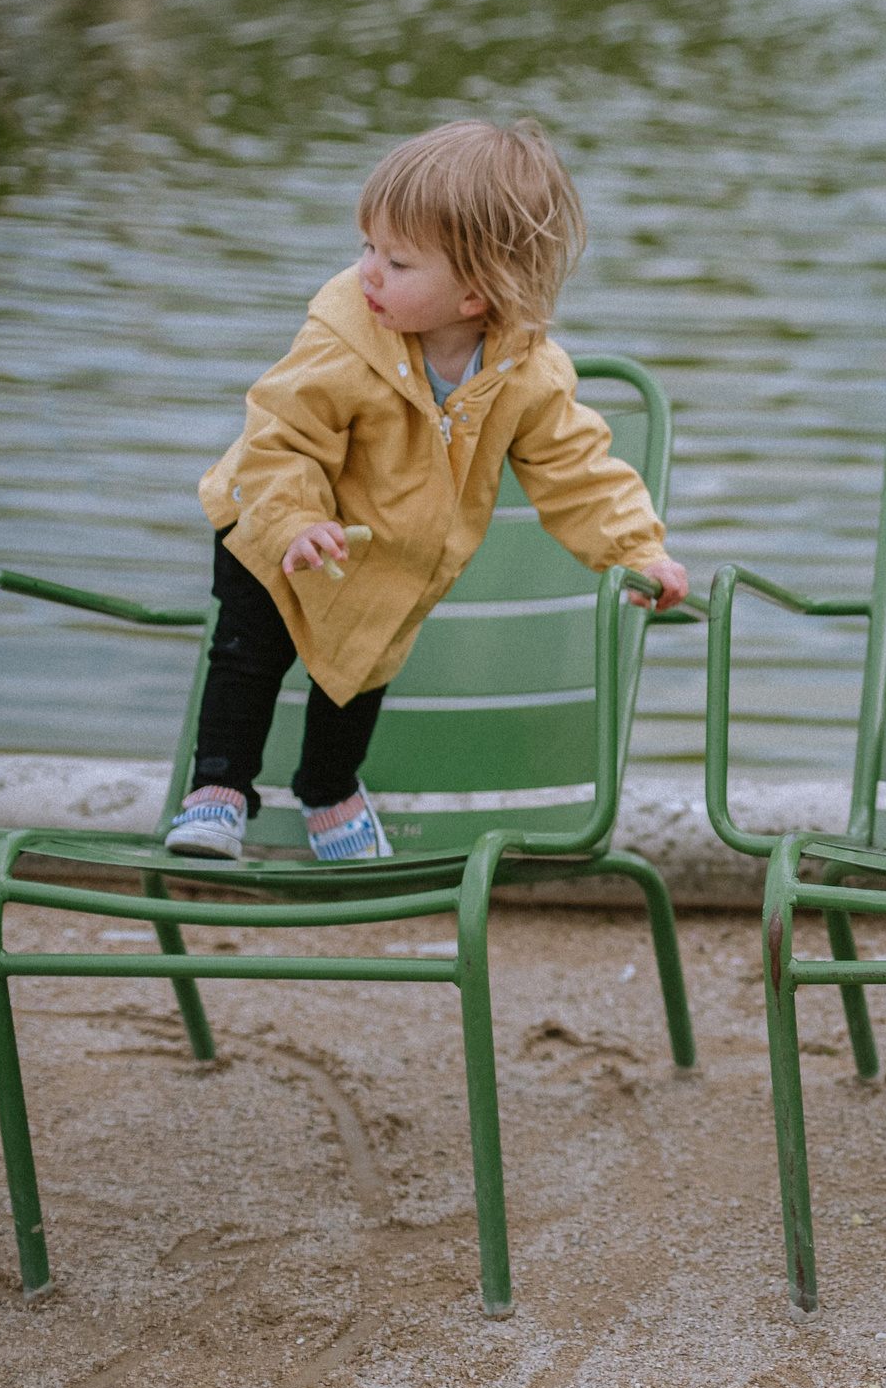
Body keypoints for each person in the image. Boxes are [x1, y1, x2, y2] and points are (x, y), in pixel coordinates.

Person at [166, 119, 689, 862]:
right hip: (275, 522)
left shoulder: (527, 375)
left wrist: (639, 549)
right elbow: (280, 435)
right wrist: (296, 521)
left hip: (387, 558)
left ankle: (329, 788)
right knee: (249, 653)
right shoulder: (346, 333)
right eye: (367, 246)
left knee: (363, 668)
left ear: (476, 293)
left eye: (397, 260)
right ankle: (216, 791)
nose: (368, 272)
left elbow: (578, 469)